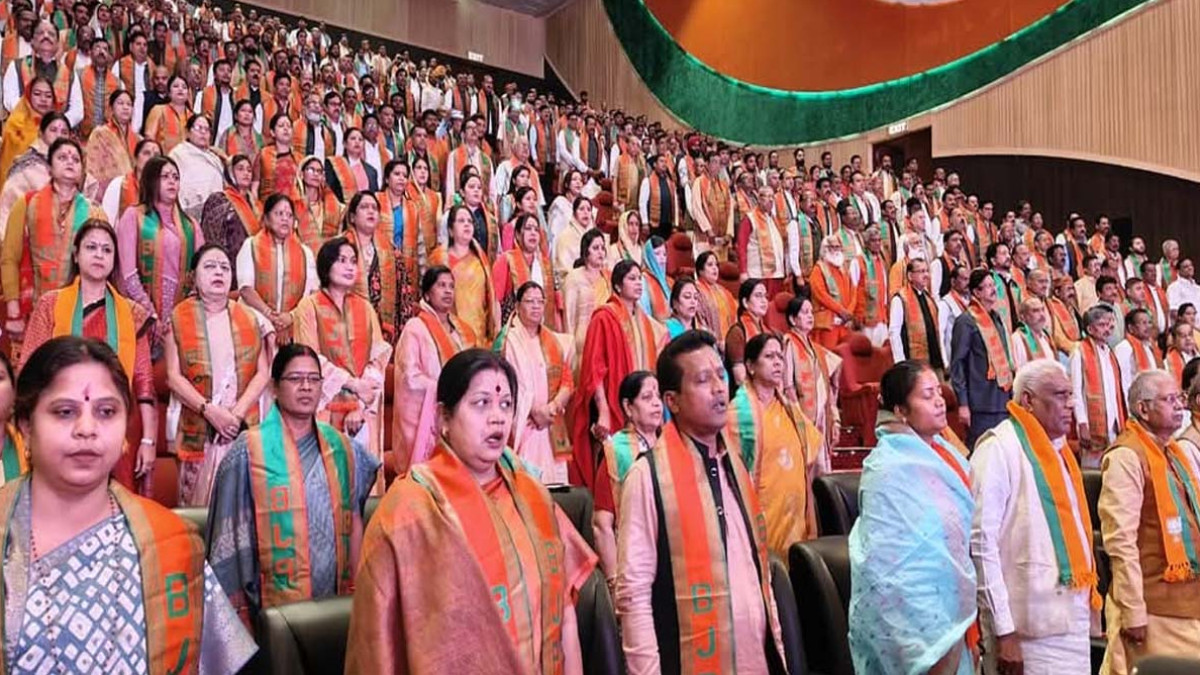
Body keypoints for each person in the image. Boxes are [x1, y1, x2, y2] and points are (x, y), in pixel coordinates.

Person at [0, 335, 257, 672]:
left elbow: (220, 661)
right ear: (25, 426)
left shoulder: (171, 542)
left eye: (106, 412)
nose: (87, 428)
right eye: (65, 412)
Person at [347, 348, 597, 673]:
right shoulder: (409, 509)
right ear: (443, 418)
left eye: (506, 404)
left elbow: (564, 612)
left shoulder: (532, 494)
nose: (497, 417)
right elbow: (378, 642)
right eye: (481, 403)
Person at [616, 330, 786, 673]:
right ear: (672, 401)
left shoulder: (734, 465)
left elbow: (759, 575)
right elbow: (633, 595)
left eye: (721, 375)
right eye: (703, 380)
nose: (719, 388)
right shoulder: (648, 477)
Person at [207, 344, 380, 625]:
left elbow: (355, 518)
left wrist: (358, 590)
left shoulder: (343, 448)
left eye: (313, 379)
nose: (306, 387)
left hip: (335, 603)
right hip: (268, 607)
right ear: (275, 387)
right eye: (296, 379)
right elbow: (228, 534)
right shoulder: (248, 450)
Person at [970, 359, 1101, 674]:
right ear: (1027, 400)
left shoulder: (1060, 451)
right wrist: (1004, 631)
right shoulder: (999, 448)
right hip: (1026, 628)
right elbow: (981, 543)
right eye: (1059, 395)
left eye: (1071, 395)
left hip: (1072, 616)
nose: (1070, 404)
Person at [849, 360, 978, 675]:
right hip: (914, 617)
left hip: (954, 606)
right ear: (901, 411)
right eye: (927, 395)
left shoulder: (945, 453)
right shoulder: (887, 468)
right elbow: (888, 566)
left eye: (939, 393)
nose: (939, 402)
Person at [21, 220, 156, 494]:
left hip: (116, 427)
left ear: (114, 260)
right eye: (91, 247)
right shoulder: (50, 305)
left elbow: (144, 383)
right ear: (76, 254)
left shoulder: (132, 313)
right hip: (60, 420)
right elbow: (28, 371)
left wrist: (149, 441)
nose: (99, 255)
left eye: (107, 250)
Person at [1098, 370, 1200, 675]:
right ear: (1143, 409)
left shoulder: (1173, 452)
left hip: (1187, 603)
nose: (1179, 406)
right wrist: (1133, 611)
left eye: (1179, 398)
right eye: (1169, 400)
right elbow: (1120, 540)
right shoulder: (1126, 457)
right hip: (1154, 610)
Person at [166, 244, 271, 506]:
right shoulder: (179, 317)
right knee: (200, 510)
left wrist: (235, 416)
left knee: (241, 508)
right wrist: (210, 411)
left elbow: (263, 372)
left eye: (224, 267)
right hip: (199, 422)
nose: (219, 272)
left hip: (239, 423)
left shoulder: (250, 318)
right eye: (210, 266)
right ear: (194, 277)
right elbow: (172, 376)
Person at [292, 237, 392, 494]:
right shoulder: (309, 306)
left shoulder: (365, 308)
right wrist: (352, 385)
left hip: (363, 412)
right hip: (324, 409)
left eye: (353, 261)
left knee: (362, 492)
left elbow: (378, 359)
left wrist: (360, 404)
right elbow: (310, 359)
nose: (349, 266)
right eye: (342, 260)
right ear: (326, 266)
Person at [571, 260, 665, 491]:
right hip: (613, 404)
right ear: (617, 286)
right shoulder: (604, 317)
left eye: (639, 278)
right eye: (632, 279)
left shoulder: (643, 319)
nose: (638, 283)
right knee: (612, 471)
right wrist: (603, 410)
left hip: (639, 406)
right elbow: (594, 368)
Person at [731, 333, 823, 558]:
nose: (777, 363)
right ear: (750, 366)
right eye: (769, 356)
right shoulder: (738, 414)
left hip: (795, 516)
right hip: (762, 512)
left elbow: (812, 452)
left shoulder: (789, 409)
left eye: (780, 357)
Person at [2, 138, 107, 332]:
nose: (69, 162)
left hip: (79, 315)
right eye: (62, 157)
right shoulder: (27, 204)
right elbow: (9, 257)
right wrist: (13, 308)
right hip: (33, 311)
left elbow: (103, 266)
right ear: (49, 168)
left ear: (82, 171)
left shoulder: (94, 212)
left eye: (75, 159)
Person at [392, 265, 476, 474]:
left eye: (451, 286)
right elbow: (409, 378)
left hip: (459, 414)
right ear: (427, 294)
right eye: (441, 285)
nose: (448, 291)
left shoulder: (463, 332)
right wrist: (444, 389)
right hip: (428, 415)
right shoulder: (415, 327)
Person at [117, 155, 203, 349]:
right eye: (165, 176)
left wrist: (178, 317)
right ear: (151, 180)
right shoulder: (134, 216)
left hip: (179, 319)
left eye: (175, 177)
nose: (172, 181)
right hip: (141, 314)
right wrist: (150, 315)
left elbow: (199, 275)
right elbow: (128, 274)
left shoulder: (191, 226)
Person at [494, 281, 574, 484]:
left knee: (555, 485)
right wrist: (533, 411)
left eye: (540, 301)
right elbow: (502, 384)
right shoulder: (507, 340)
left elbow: (567, 380)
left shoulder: (553, 341)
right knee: (526, 484)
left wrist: (552, 408)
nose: (536, 306)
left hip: (550, 423)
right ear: (517, 306)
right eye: (530, 302)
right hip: (524, 424)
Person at [593, 370, 661, 579]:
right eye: (647, 397)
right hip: (633, 566)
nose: (657, 403)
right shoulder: (616, 452)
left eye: (658, 396)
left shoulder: (670, 445)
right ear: (628, 407)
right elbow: (601, 525)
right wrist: (615, 581)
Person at [236, 193, 318, 342]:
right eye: (279, 214)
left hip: (293, 326)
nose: (285, 218)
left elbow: (311, 294)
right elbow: (246, 289)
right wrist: (269, 315)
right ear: (266, 218)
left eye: (289, 215)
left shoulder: (305, 253)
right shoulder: (251, 245)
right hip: (256, 323)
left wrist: (290, 317)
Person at [952, 269, 1015, 448]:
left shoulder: (997, 318)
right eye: (987, 286)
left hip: (1002, 398)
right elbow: (958, 364)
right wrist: (963, 403)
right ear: (976, 292)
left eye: (993, 285)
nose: (993, 289)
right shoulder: (966, 321)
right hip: (980, 402)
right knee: (982, 450)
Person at [782, 295, 842, 473]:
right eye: (804, 312)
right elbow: (787, 385)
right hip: (803, 416)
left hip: (821, 414)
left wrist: (834, 418)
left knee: (822, 468)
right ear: (793, 319)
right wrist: (798, 417)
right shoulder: (789, 343)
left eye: (811, 312)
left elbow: (829, 377)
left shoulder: (815, 348)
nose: (810, 316)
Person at [430, 203, 500, 347]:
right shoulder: (438, 259)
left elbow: (491, 299)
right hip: (448, 334)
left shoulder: (481, 260)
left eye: (470, 221)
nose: (467, 224)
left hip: (479, 335)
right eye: (461, 221)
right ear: (450, 230)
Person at [1069, 305, 1126, 468]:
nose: (1107, 329)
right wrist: (1082, 423)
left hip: (1113, 423)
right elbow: (1075, 391)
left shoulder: (1109, 352)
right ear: (1090, 329)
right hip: (1090, 423)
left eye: (1109, 325)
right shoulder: (1079, 352)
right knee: (1092, 472)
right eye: (1102, 325)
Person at [341, 190, 402, 340]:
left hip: (383, 330)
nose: (371, 211)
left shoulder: (392, 251)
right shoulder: (338, 248)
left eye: (374, 208)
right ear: (352, 217)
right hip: (347, 326)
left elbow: (403, 295)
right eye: (364, 207)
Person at [199, 154, 261, 274]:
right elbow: (210, 234)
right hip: (225, 264)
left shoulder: (257, 206)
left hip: (250, 267)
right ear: (230, 172)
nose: (246, 173)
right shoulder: (219, 199)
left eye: (249, 170)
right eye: (240, 169)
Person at [493, 212, 556, 327]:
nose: (533, 233)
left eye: (536, 230)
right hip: (513, 329)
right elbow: (496, 301)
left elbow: (550, 305)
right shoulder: (506, 259)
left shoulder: (545, 264)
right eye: (528, 228)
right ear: (517, 235)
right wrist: (498, 332)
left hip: (541, 328)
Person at [561, 228, 611, 368]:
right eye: (595, 248)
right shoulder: (574, 278)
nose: (600, 252)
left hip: (605, 338)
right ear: (586, 251)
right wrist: (570, 347)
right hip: (582, 343)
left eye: (602, 248)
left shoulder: (608, 278)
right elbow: (569, 317)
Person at [889, 258, 945, 370]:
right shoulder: (900, 299)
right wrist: (900, 363)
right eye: (921, 271)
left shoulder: (928, 298)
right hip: (912, 363)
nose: (926, 275)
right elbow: (894, 333)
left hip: (933, 359)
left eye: (927, 271)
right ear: (910, 276)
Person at [170, 114, 226, 224]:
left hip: (216, 215)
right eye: (199, 128)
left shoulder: (214, 157)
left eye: (207, 129)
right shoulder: (177, 154)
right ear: (188, 132)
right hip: (188, 215)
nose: (203, 132)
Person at [84, 89, 139, 193]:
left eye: (129, 104)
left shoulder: (138, 139)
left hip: (134, 190)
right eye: (120, 103)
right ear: (111, 108)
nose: (125, 107)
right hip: (108, 191)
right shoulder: (100, 134)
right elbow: (93, 167)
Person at [0, 77, 55, 180]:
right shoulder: (15, 126)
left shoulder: (57, 126)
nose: (43, 99)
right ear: (28, 96)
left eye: (48, 96)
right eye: (37, 94)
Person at [809, 234, 857, 349]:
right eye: (832, 247)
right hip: (828, 325)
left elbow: (854, 292)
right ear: (825, 249)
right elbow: (821, 295)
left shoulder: (845, 268)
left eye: (838, 247)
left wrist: (849, 312)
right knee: (829, 356)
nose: (836, 250)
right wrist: (841, 311)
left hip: (845, 324)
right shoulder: (818, 270)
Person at [99, 138, 159, 225]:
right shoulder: (118, 184)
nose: (152, 158)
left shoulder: (164, 189)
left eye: (156, 155)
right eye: (146, 153)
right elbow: (106, 220)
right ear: (135, 159)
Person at [1117, 308, 1164, 404]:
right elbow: (1124, 381)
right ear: (1131, 328)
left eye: (1149, 322)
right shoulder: (1124, 347)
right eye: (1143, 323)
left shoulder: (1151, 347)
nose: (1148, 326)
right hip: (1136, 401)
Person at [324, 127, 379, 202]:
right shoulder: (334, 164)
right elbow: (329, 193)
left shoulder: (372, 171)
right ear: (345, 144)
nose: (357, 142)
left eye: (360, 139)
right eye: (353, 138)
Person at [552, 194, 595, 289]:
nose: (586, 213)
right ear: (574, 213)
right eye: (581, 209)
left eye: (589, 210)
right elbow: (563, 270)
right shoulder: (565, 237)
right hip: (573, 286)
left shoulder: (596, 237)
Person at [143, 74, 191, 154]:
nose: (180, 89)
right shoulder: (158, 110)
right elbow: (149, 138)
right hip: (163, 158)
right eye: (176, 86)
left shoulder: (192, 117)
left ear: (188, 94)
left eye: (184, 87)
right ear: (169, 93)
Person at [695, 250, 737, 344]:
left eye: (716, 265)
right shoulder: (696, 291)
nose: (715, 268)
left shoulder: (723, 291)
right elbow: (699, 323)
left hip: (728, 343)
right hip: (709, 343)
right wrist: (717, 342)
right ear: (700, 270)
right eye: (710, 265)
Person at [1011, 297, 1055, 369]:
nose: (1042, 315)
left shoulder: (1045, 336)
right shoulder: (1017, 338)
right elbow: (1018, 370)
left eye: (1042, 310)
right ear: (1023, 317)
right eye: (1035, 311)